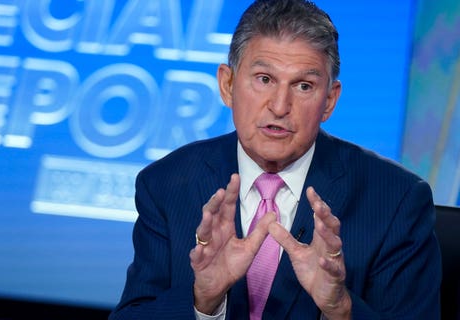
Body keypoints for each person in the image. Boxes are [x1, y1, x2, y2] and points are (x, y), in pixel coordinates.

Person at [109, 0, 441, 319]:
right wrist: (203, 299)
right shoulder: (167, 183)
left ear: (329, 100)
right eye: (264, 79)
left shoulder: (396, 201)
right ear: (227, 84)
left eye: (303, 86)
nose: (280, 106)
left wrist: (340, 309)